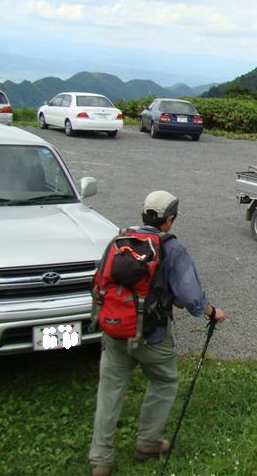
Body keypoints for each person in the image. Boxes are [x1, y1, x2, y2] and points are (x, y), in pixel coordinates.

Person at [88, 190, 226, 476]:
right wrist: (212, 312)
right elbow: (189, 295)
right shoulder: (170, 247)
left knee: (109, 390)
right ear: (169, 220)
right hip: (151, 334)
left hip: (114, 330)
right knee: (164, 381)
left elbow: (98, 281)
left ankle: (101, 459)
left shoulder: (119, 240)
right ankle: (148, 442)